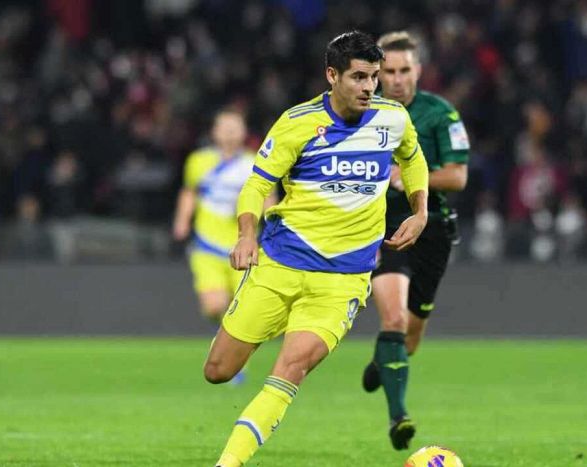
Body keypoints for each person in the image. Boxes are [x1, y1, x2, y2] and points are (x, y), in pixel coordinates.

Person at [205, 31, 430, 467]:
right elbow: (256, 185)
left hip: (342, 280)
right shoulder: (297, 123)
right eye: (359, 77)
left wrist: (420, 212)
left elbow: (413, 158)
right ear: (332, 75)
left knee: (291, 369)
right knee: (218, 371)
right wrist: (247, 235)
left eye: (375, 77)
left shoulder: (392, 119)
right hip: (280, 263)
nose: (370, 87)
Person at [359, 31, 469, 450]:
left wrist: (409, 179)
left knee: (410, 338)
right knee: (393, 320)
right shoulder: (361, 113)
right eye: (388, 71)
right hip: (382, 225)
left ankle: (383, 361)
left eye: (404, 70)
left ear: (418, 70)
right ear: (377, 74)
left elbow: (457, 176)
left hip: (432, 227)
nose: (397, 79)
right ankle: (399, 417)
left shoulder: (440, 114)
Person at [173, 110, 276, 323]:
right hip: (207, 245)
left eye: (234, 128)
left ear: (244, 132)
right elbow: (190, 192)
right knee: (214, 306)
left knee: (243, 309)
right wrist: (182, 222)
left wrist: (273, 223)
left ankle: (230, 336)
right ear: (214, 132)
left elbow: (268, 196)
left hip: (243, 246)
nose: (229, 133)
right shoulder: (198, 161)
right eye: (224, 128)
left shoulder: (255, 162)